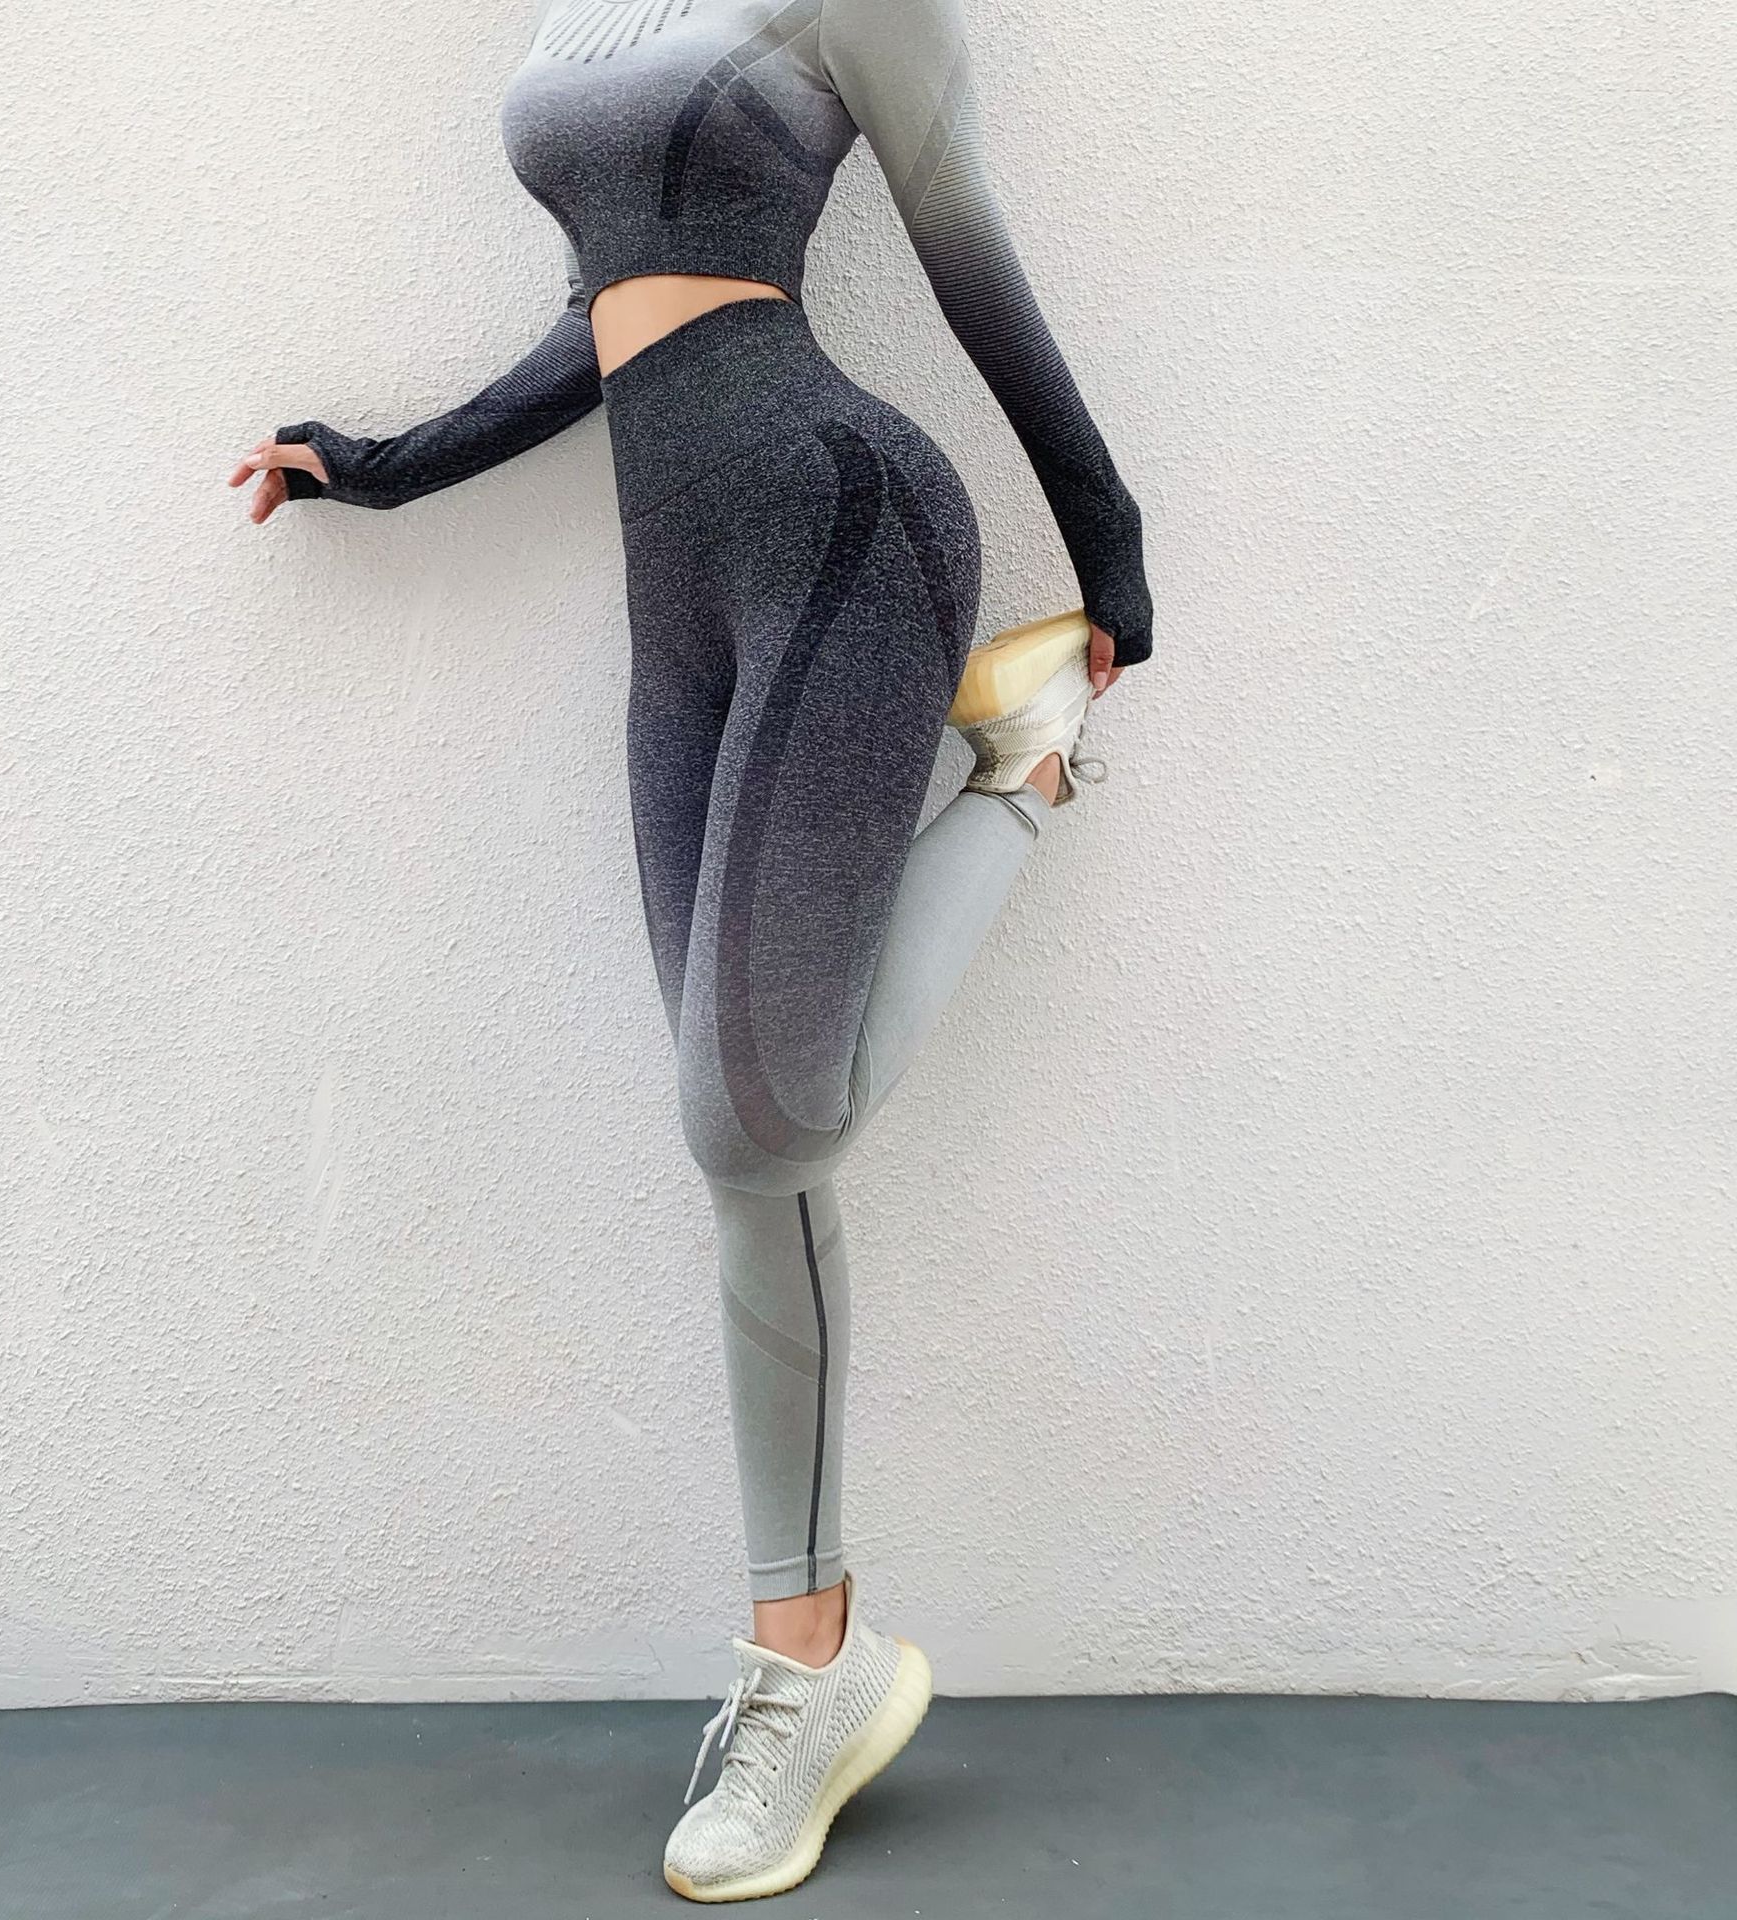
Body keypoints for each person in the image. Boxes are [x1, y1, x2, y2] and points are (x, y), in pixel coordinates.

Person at [229, 0, 1152, 1901]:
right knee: (750, 1154)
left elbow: (963, 240)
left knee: (752, 1120)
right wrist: (386, 463)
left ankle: (1029, 768)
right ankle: (811, 1655)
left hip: (845, 527)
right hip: (684, 590)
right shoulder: (576, 17)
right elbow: (611, 313)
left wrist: (1110, 545)